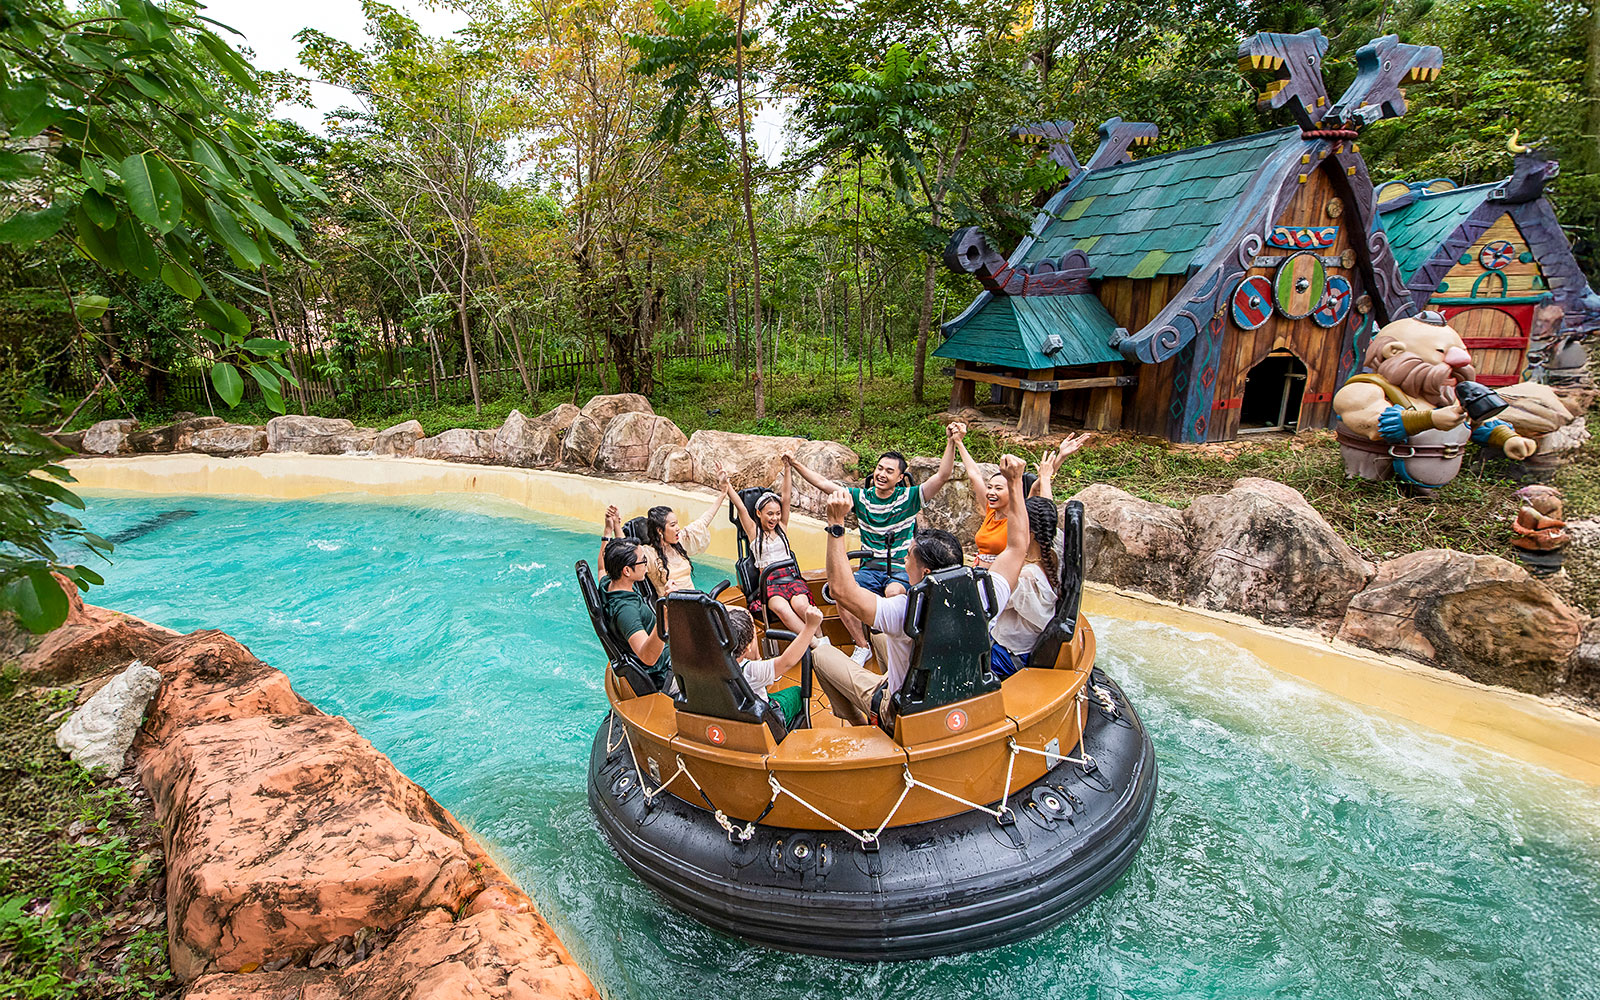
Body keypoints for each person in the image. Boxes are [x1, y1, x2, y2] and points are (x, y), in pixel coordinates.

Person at [807, 454, 1031, 729]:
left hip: (909, 711)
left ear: (925, 572)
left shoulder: (904, 611)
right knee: (879, 637)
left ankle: (861, 725)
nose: (903, 561)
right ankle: (891, 681)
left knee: (821, 654)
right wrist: (1016, 482)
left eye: (908, 558)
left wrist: (836, 525)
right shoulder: (987, 593)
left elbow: (841, 590)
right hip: (963, 695)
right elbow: (1018, 546)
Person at [786, 424, 961, 664]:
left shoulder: (909, 498)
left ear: (900, 478)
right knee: (842, 595)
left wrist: (951, 443)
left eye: (889, 471)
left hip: (900, 568)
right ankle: (862, 645)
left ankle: (892, 648)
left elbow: (942, 476)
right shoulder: (861, 497)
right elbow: (823, 484)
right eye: (879, 468)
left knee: (894, 592)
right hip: (870, 568)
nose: (882, 474)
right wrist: (795, 464)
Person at [954, 426, 1091, 570]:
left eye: (998, 488)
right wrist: (959, 442)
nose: (991, 492)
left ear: (1013, 491)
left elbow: (1040, 486)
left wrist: (1061, 456)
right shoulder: (990, 511)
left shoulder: (1021, 518)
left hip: (1002, 580)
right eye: (990, 487)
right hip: (979, 574)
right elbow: (974, 474)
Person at [600, 472, 730, 594]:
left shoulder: (680, 543)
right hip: (673, 609)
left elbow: (703, 521)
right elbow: (625, 550)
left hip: (696, 602)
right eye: (673, 525)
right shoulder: (649, 555)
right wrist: (616, 524)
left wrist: (723, 493)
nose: (678, 528)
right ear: (660, 531)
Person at [724, 462, 814, 632]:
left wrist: (788, 468)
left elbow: (786, 497)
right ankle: (815, 643)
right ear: (759, 513)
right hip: (770, 582)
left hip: (790, 577)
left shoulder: (782, 528)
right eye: (770, 514)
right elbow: (741, 507)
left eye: (777, 513)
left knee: (803, 606)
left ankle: (822, 640)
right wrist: (726, 484)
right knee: (782, 609)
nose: (774, 518)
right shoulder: (754, 533)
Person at [988, 498, 1061, 678]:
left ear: (1029, 533)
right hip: (1027, 647)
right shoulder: (1055, 558)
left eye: (1012, 524)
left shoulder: (1024, 578)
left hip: (1008, 657)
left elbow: (986, 603)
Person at [725, 603, 824, 728]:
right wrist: (810, 627)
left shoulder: (705, 665)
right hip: (762, 720)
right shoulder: (751, 671)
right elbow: (787, 661)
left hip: (730, 715)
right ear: (748, 647)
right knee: (797, 692)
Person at [598, 538, 671, 689]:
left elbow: (600, 569)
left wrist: (607, 532)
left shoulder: (607, 583)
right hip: (665, 671)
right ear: (626, 571)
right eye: (643, 561)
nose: (646, 564)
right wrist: (664, 614)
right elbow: (648, 657)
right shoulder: (626, 611)